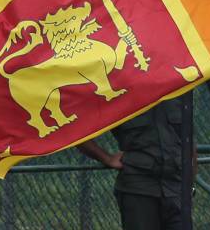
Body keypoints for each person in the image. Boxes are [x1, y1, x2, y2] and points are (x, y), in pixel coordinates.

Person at [77, 97, 194, 230]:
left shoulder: (177, 89)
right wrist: (106, 158)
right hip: (138, 189)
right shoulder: (118, 91)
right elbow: (75, 128)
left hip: (176, 190)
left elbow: (189, 138)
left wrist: (189, 184)